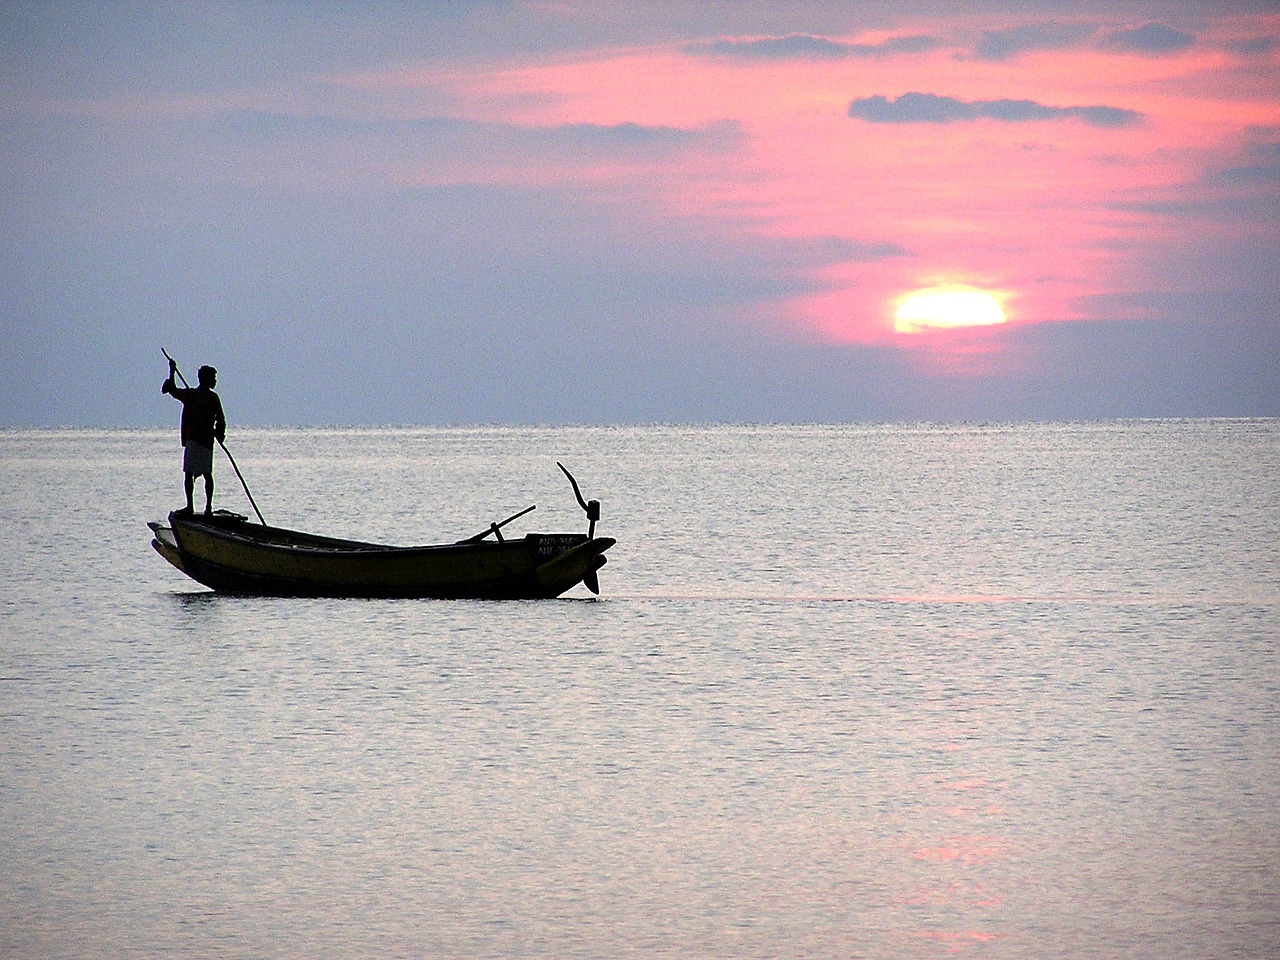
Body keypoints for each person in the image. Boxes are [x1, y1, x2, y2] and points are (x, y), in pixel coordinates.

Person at [162, 359, 226, 515]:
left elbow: (220, 420)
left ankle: (197, 507)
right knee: (204, 474)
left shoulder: (197, 395)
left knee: (195, 474)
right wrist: (171, 370)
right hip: (201, 440)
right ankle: (204, 508)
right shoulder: (198, 395)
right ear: (206, 379)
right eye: (213, 378)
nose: (215, 381)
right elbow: (173, 390)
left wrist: (219, 433)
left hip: (200, 440)